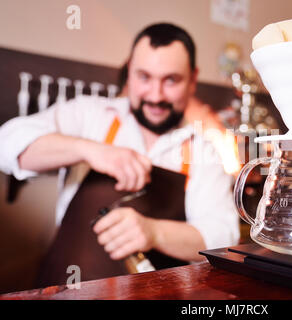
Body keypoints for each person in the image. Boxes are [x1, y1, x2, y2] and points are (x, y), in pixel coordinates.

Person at [0, 23, 240, 287]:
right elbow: (7, 144)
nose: (155, 95)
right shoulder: (90, 115)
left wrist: (154, 233)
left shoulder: (203, 150)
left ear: (193, 79)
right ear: (129, 71)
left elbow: (223, 239)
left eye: (171, 80)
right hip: (65, 291)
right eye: (144, 77)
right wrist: (90, 150)